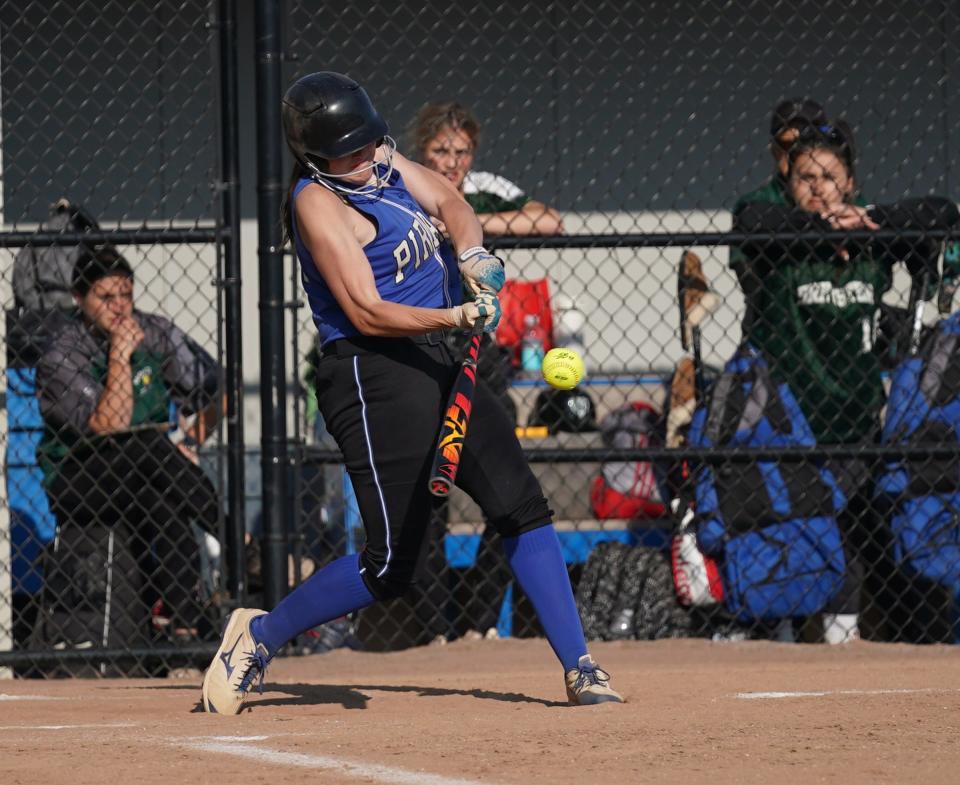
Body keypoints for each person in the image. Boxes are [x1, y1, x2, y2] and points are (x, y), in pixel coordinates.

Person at [200, 71, 623, 713]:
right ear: (314, 157)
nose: (368, 158)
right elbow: (367, 311)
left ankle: (581, 666)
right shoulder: (317, 201)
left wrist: (473, 255)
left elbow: (453, 203)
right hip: (374, 374)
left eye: (371, 143)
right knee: (391, 564)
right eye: (350, 151)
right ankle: (256, 638)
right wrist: (455, 318)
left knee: (519, 505)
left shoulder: (385, 160)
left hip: (442, 359)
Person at [732, 122, 960, 642]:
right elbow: (749, 218)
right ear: (788, 183)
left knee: (857, 530)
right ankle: (775, 634)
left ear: (850, 183)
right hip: (787, 421)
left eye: (830, 177)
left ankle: (845, 628)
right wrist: (824, 232)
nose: (817, 187)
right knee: (790, 528)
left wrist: (869, 220)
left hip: (856, 418)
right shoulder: (777, 241)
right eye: (805, 177)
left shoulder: (872, 241)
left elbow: (943, 211)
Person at [408, 102, 565, 642]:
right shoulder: (404, 183)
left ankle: (478, 622)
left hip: (478, 348)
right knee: (427, 493)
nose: (451, 161)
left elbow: (548, 219)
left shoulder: (482, 186)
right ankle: (432, 630)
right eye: (441, 151)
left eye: (461, 151)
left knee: (506, 486)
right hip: (420, 341)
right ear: (422, 150)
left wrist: (466, 223)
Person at [35, 245, 223, 641]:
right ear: (78, 298)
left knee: (162, 496)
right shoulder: (62, 353)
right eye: (106, 298)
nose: (119, 307)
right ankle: (240, 542)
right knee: (149, 448)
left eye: (126, 296)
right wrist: (120, 358)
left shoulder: (153, 331)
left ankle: (183, 628)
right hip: (78, 477)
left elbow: (220, 391)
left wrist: (191, 438)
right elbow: (110, 425)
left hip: (149, 473)